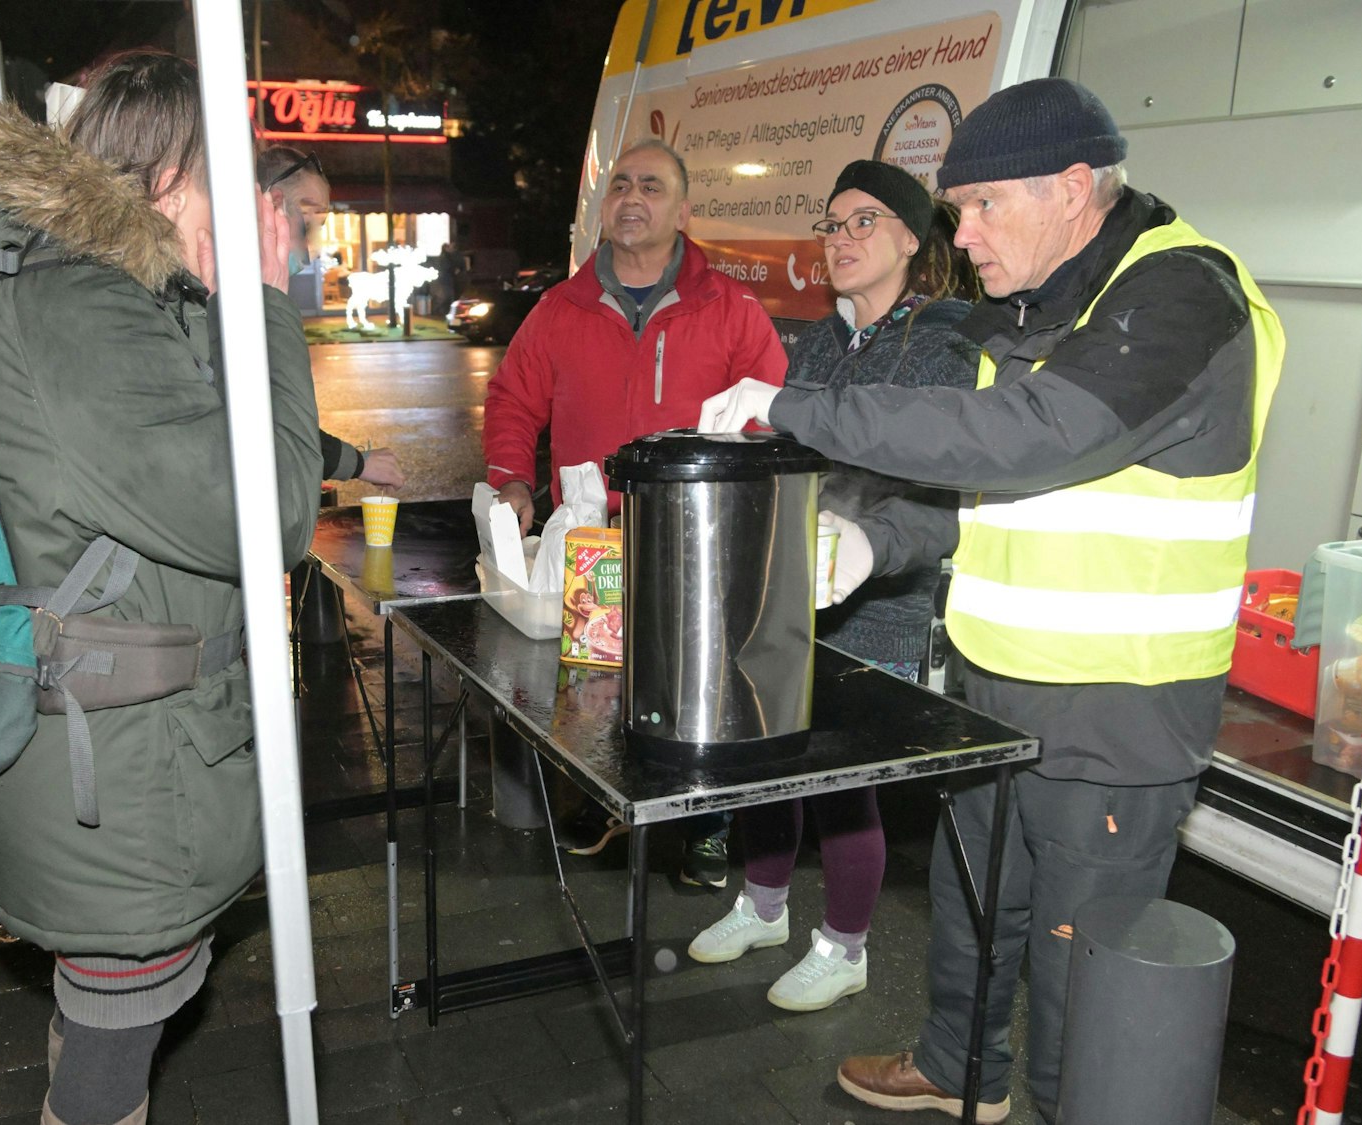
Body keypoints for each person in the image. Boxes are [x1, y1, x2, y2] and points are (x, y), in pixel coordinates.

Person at [700, 78, 1282, 1123]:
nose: (958, 235)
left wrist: (796, 404)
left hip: (1115, 709)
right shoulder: (1029, 304)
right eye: (953, 209)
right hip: (992, 680)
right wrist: (873, 540)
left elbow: (1032, 434)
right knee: (974, 910)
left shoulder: (1181, 294)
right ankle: (957, 1068)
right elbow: (987, 492)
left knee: (1078, 960)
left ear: (1070, 189)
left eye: (979, 207)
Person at [0, 52, 323, 1125]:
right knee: (114, 1026)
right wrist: (268, 308)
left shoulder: (92, 285)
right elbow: (254, 513)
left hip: (133, 743)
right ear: (175, 174)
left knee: (116, 1006)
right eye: (241, 181)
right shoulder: (76, 307)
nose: (266, 212)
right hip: (127, 771)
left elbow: (172, 448)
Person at [687, 160, 978, 1013]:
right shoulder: (820, 337)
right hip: (795, 577)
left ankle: (845, 946)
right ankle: (764, 903)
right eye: (832, 223)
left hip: (880, 590)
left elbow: (932, 478)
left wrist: (861, 537)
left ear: (911, 239)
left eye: (863, 222)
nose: (840, 239)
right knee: (770, 749)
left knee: (848, 773)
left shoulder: (944, 344)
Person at [482, 138, 786, 887]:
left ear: (683, 211)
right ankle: (601, 798)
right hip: (593, 534)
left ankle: (707, 825)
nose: (631, 197)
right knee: (594, 675)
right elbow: (514, 401)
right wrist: (511, 481)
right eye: (620, 184)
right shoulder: (561, 308)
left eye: (651, 185)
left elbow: (774, 414)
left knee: (700, 677)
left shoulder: (732, 307)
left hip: (696, 534)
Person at [257, 145, 406, 489]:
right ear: (274, 205)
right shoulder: (236, 298)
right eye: (309, 225)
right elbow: (272, 424)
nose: (313, 248)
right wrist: (358, 463)